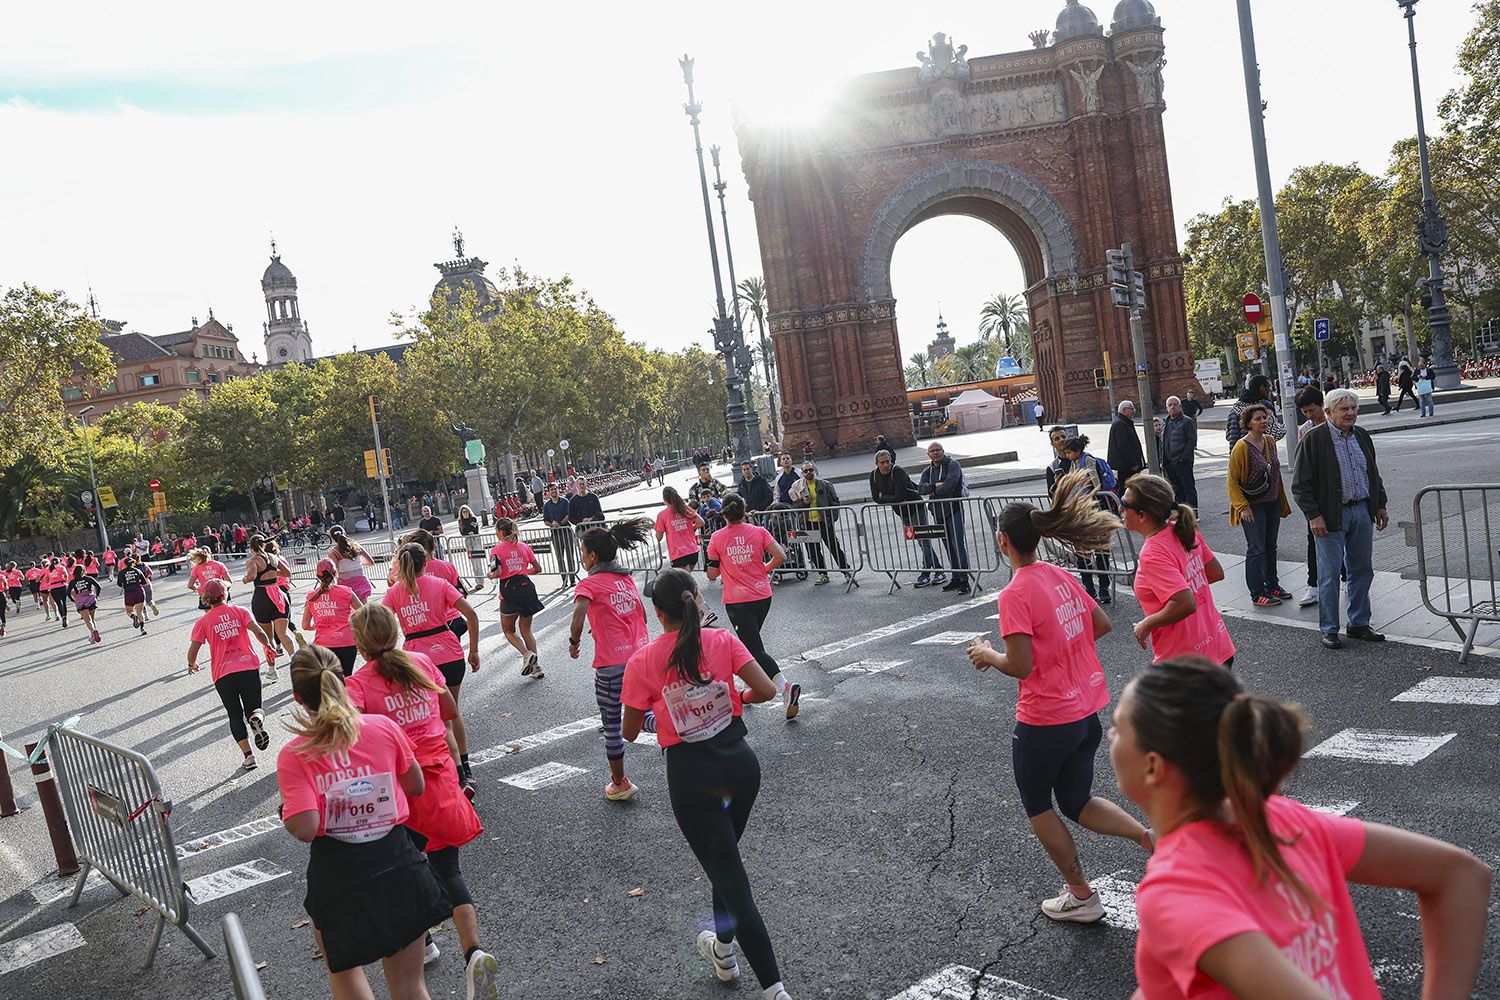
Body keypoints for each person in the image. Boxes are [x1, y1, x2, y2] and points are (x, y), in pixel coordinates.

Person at [1110, 657, 1491, 999]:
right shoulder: (1282, 819)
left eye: (1117, 727)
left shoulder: (1177, 890)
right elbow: (1461, 875)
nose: (1110, 737)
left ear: (1153, 767)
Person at [966, 469, 1153, 924]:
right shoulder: (1056, 573)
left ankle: (1081, 895)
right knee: (1077, 801)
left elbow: (1021, 666)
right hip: (1086, 712)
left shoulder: (1014, 593)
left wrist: (987, 654)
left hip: (1045, 718)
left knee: (1039, 806)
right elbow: (1101, 624)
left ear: (1002, 540)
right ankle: (1150, 839)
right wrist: (1066, 650)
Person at [620, 569, 793, 1000]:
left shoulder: (643, 660)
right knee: (724, 862)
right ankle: (722, 951)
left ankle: (775, 990)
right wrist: (738, 701)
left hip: (691, 776)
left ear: (658, 614)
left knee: (732, 879)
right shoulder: (721, 641)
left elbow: (626, 731)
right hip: (740, 765)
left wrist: (659, 714)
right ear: (697, 600)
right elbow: (768, 690)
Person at [277, 647, 453, 1000]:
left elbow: (306, 827)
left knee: (346, 976)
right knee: (411, 986)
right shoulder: (383, 727)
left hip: (340, 875)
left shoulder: (295, 753)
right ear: (343, 680)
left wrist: (289, 812)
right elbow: (415, 785)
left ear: (298, 697)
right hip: (398, 859)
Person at [344, 606, 498, 998]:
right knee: (448, 869)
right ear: (396, 631)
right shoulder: (423, 662)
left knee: (403, 873)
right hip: (440, 778)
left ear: (359, 644)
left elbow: (350, 742)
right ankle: (474, 952)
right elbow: (449, 711)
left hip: (397, 789)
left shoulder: (357, 684)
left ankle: (424, 942)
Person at [1292, 387, 1390, 650]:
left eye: (1353, 408)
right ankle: (1330, 629)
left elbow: (1373, 473)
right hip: (1330, 515)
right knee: (1329, 573)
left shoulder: (1361, 435)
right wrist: (1314, 516)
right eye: (1344, 409)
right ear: (1328, 412)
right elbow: (1300, 484)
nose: (1350, 413)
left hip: (1361, 510)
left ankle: (1358, 623)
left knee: (1361, 570)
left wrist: (1379, 504)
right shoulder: (1313, 439)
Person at [384, 543, 481, 792]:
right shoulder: (439, 584)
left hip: (415, 659)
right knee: (452, 712)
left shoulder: (395, 591)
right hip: (448, 653)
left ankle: (441, 769)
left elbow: (380, 622)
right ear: (425, 563)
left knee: (426, 716)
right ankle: (464, 770)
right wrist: (474, 650)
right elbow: (471, 614)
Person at [569, 519, 654, 800]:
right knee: (645, 713)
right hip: (642, 658)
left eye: (583, 552)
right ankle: (680, 727)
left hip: (612, 666)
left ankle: (619, 783)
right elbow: (639, 613)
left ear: (592, 556)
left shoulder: (589, 584)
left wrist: (574, 642)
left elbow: (578, 616)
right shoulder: (626, 578)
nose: (582, 558)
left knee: (613, 724)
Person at [1121, 474, 1234, 666]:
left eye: (1124, 504)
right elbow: (1215, 572)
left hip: (1184, 663)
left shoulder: (1152, 553)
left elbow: (1184, 603)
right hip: (1217, 646)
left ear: (1142, 515)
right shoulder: (1182, 529)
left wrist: (1146, 624)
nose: (1119, 509)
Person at [708, 493, 799, 719]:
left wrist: (727, 564)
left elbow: (711, 574)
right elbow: (780, 556)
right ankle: (747, 692)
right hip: (762, 595)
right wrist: (763, 570)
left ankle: (786, 687)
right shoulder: (758, 531)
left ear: (724, 515)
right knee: (750, 646)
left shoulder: (717, 537)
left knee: (754, 649)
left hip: (738, 601)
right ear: (744, 510)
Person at [187, 579, 278, 770]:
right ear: (225, 594)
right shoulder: (240, 611)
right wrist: (267, 645)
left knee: (234, 714)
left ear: (206, 599)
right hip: (248, 667)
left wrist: (191, 663)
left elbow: (193, 648)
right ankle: (257, 720)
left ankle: (249, 757)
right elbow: (258, 631)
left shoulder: (203, 621)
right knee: (254, 708)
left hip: (223, 674)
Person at [1227, 404, 1293, 608]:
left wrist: (1280, 500)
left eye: (1265, 418)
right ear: (1248, 423)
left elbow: (1275, 474)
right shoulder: (1241, 447)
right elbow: (1232, 480)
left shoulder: (1270, 441)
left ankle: (1272, 585)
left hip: (1271, 502)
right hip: (1252, 506)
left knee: (1270, 546)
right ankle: (1257, 593)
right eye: (1258, 419)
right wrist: (1242, 507)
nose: (1263, 421)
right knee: (1256, 548)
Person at [870, 449, 942, 588]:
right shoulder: (873, 476)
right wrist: (888, 497)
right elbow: (875, 498)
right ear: (876, 464)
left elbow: (900, 496)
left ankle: (926, 573)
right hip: (902, 512)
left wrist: (884, 496)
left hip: (916, 508)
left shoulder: (898, 472)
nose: (886, 465)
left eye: (888, 461)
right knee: (920, 542)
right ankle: (939, 569)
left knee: (924, 541)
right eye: (882, 463)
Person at [1059, 436, 1116, 605]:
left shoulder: (1088, 460)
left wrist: (1088, 497)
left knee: (1100, 551)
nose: (1067, 455)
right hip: (1080, 511)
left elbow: (1096, 483)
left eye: (1069, 452)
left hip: (1094, 509)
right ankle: (1089, 589)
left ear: (1077, 451)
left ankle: (1104, 589)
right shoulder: (1073, 464)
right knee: (1082, 553)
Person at [487, 517, 545, 678]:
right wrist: (522, 572)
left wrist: (489, 575)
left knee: (508, 630)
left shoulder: (496, 550)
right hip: (527, 588)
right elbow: (537, 568)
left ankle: (527, 654)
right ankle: (536, 668)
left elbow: (497, 572)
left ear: (499, 532)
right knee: (526, 630)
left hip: (509, 591)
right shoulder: (524, 547)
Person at [918, 442, 971, 595]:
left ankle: (964, 580)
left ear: (943, 451)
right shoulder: (927, 471)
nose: (935, 453)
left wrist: (933, 491)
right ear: (928, 454)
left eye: (938, 450)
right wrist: (935, 486)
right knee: (948, 545)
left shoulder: (953, 464)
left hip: (953, 509)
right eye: (932, 451)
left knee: (958, 544)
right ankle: (955, 577)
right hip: (938, 512)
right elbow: (921, 488)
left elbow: (951, 484)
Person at [788, 460, 852, 587]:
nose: (808, 473)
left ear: (814, 471)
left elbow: (835, 502)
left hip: (823, 522)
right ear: (802, 473)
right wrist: (803, 503)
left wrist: (831, 518)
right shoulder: (799, 487)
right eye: (805, 471)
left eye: (810, 470)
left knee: (834, 547)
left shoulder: (825, 484)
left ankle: (846, 571)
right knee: (813, 550)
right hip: (808, 523)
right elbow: (795, 506)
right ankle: (822, 573)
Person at [244, 534, 298, 674]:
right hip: (279, 595)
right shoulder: (273, 557)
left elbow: (251, 576)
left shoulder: (253, 561)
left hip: (262, 598)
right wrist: (273, 574)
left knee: (267, 638)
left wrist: (245, 579)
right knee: (284, 633)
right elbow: (287, 573)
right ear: (263, 544)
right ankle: (296, 663)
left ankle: (272, 670)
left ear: (251, 546)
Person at [302, 559, 365, 675]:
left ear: (317, 576)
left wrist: (319, 625)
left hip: (323, 645)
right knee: (346, 679)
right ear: (336, 573)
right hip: (346, 642)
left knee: (328, 682)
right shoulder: (346, 592)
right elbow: (364, 613)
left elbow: (305, 625)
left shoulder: (311, 597)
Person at [1159, 395, 1198, 509]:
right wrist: (1163, 459)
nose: (1172, 407)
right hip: (1169, 463)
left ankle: (1193, 512)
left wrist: (1183, 457)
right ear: (1167, 408)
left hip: (1182, 461)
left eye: (1175, 405)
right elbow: (1163, 442)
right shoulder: (1165, 422)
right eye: (1169, 405)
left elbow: (1192, 441)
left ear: (1180, 406)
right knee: (1177, 489)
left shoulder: (1187, 421)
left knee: (1188, 487)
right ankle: (1180, 512)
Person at [1225, 374, 1283, 448]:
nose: (1270, 390)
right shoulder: (1263, 406)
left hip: (1236, 453)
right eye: (1269, 387)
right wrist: (1285, 427)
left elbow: (1228, 436)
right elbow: (1275, 433)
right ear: (1262, 388)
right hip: (1259, 452)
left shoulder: (1235, 408)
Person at [655, 487, 705, 571]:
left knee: (683, 582)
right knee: (685, 580)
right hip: (693, 551)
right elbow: (701, 522)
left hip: (678, 553)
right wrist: (690, 529)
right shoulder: (686, 509)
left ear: (664, 500)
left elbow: (659, 537)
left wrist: (655, 528)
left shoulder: (662, 515)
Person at [541, 482, 578, 585]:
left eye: (555, 489)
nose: (554, 491)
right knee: (560, 558)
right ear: (548, 492)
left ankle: (572, 579)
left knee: (570, 556)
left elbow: (568, 515)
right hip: (555, 534)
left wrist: (561, 523)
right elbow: (545, 520)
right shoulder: (547, 505)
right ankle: (564, 580)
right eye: (551, 489)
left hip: (566, 531)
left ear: (558, 490)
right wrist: (552, 525)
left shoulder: (565, 502)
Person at [326, 526, 375, 601]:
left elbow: (334, 570)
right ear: (344, 533)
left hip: (345, 584)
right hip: (361, 581)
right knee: (364, 610)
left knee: (348, 611)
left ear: (332, 538)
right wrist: (357, 564)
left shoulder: (334, 552)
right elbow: (370, 561)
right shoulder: (356, 546)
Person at [1107, 400, 1145, 484]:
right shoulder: (1120, 424)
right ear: (1124, 410)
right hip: (1127, 467)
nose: (1134, 411)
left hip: (1126, 466)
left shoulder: (1123, 422)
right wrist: (1133, 464)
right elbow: (1123, 446)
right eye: (1131, 409)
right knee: (1128, 487)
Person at [67, 565, 102, 643]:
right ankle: (93, 635)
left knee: (88, 620)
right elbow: (98, 586)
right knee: (92, 619)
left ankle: (93, 631)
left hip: (80, 600)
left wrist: (74, 600)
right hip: (91, 598)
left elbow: (68, 592)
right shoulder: (89, 578)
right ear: (83, 571)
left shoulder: (73, 581)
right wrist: (97, 595)